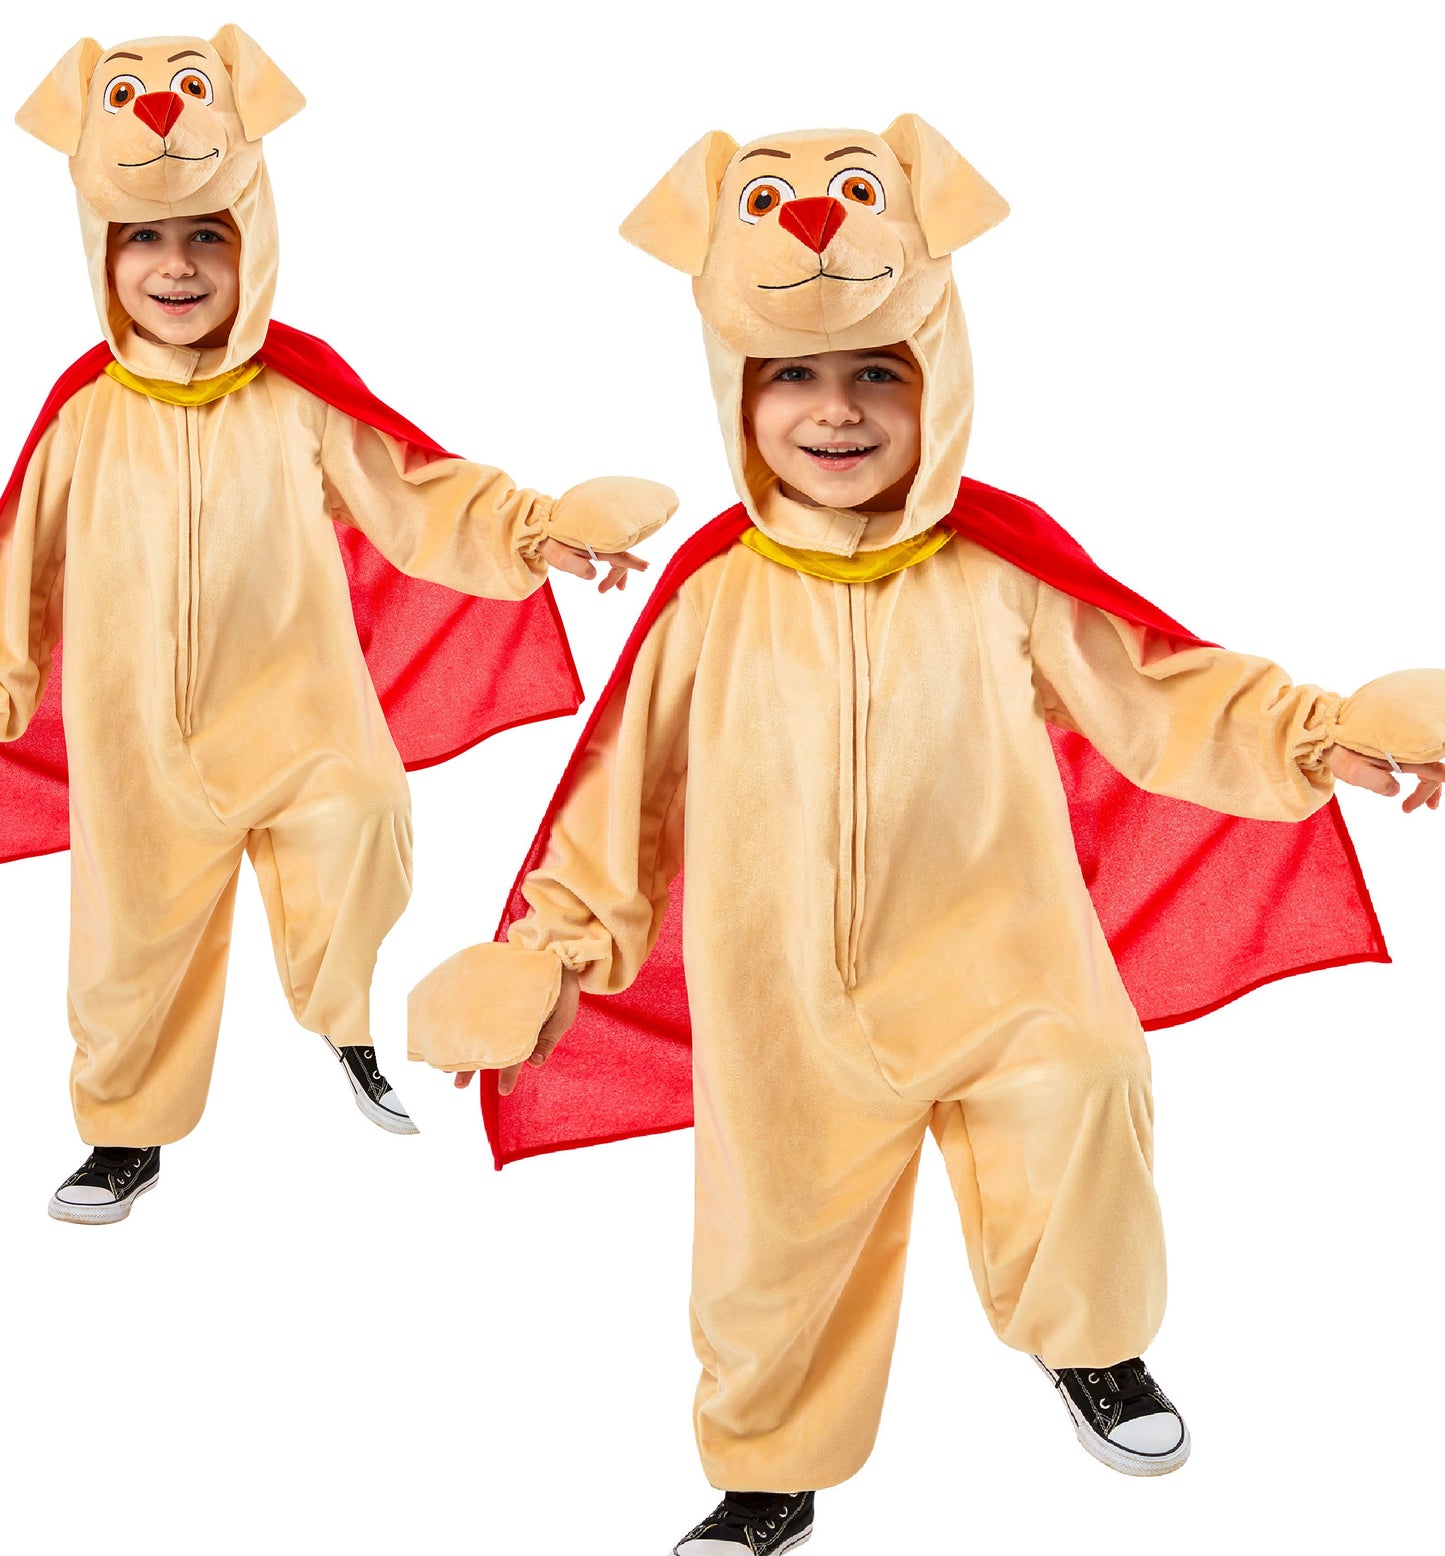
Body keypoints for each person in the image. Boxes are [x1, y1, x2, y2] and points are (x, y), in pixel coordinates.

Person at [408, 118, 1445, 1552]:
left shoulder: (996, 570)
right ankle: (767, 1467)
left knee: (1082, 1100)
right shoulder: (712, 598)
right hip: (785, 1006)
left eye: (877, 375)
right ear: (736, 386)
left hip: (1007, 968)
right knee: (769, 1246)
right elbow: (624, 795)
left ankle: (1091, 1342)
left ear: (938, 374)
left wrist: (1320, 733)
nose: (835, 412)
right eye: (793, 378)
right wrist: (552, 949)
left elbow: (1158, 687)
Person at [1, 28, 675, 1225]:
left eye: (208, 234)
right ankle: (123, 1133)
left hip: (300, 714)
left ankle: (344, 1013)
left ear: (253, 238)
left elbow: (416, 491)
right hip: (136, 747)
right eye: (145, 238)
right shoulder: (82, 420)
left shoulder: (295, 397)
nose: (177, 265)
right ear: (101, 250)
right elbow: (20, 577)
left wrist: (534, 533)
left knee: (362, 822)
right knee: (127, 947)